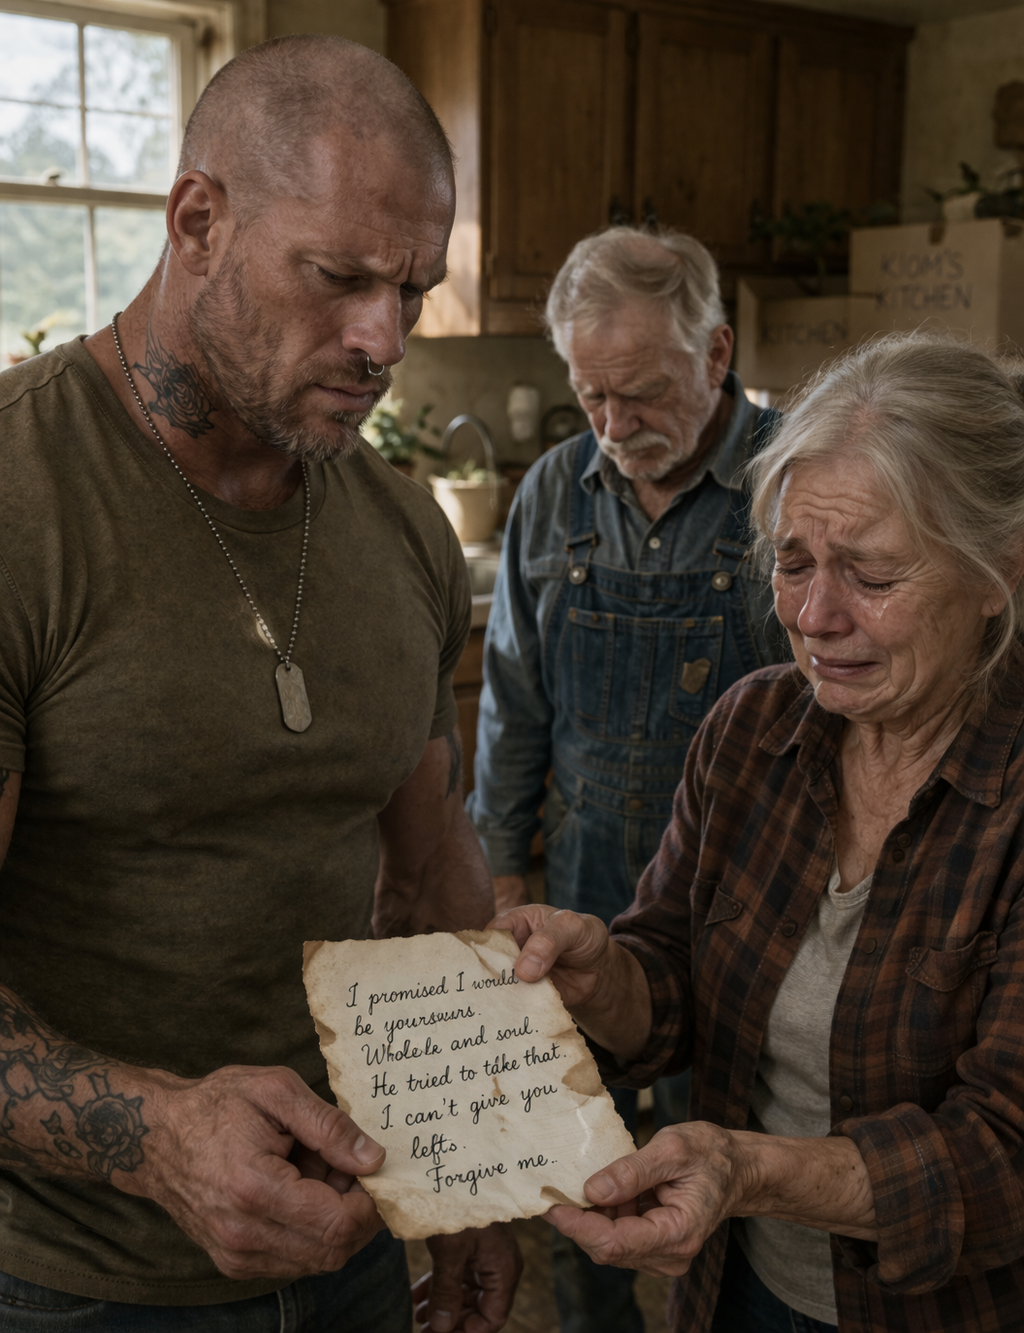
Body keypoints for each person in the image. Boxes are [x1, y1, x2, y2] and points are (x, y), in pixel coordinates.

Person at [0, 35, 520, 1333]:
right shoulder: (21, 500)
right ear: (198, 220)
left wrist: (476, 1174)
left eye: (413, 288)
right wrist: (155, 1136)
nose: (382, 338)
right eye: (340, 278)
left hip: (349, 1242)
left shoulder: (401, 532)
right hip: (71, 1277)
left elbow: (432, 865)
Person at [497, 333, 1024, 1333]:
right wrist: (601, 973)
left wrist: (741, 1168)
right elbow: (676, 983)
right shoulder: (753, 727)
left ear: (997, 568)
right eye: (791, 561)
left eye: (871, 575)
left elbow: (1003, 1152)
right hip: (735, 1290)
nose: (815, 615)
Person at [467, 227, 789, 1332]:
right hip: (590, 875)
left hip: (757, 895)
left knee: (731, 1165)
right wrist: (504, 875)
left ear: (717, 353)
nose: (614, 426)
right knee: (580, 1154)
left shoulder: (799, 478)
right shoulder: (556, 491)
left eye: (642, 394)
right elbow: (511, 702)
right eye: (591, 395)